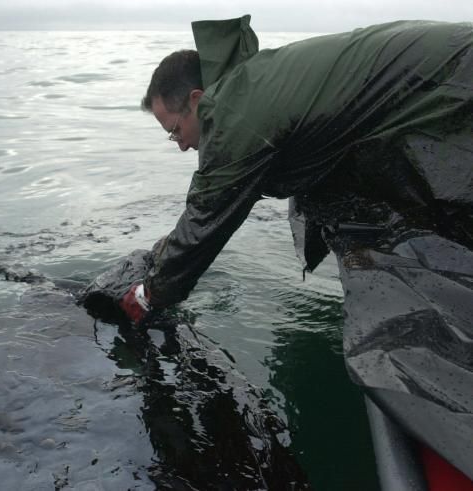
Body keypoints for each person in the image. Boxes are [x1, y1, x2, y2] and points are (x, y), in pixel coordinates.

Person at [119, 15, 473, 323]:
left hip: (455, 77)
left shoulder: (233, 112)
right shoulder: (254, 83)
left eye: (175, 131)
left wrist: (147, 296)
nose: (180, 144)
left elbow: (208, 213)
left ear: (196, 100)